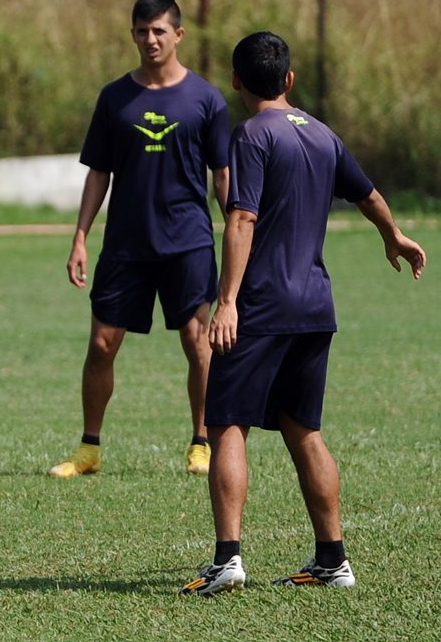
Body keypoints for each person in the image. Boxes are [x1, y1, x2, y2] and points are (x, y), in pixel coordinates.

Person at [179, 31, 425, 595]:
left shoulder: (251, 134)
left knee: (226, 423)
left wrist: (227, 301)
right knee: (304, 430)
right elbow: (367, 194)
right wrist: (393, 235)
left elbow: (242, 217)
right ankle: (333, 561)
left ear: (235, 81)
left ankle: (227, 560)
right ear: (289, 79)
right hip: (316, 305)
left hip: (263, 305)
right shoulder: (321, 133)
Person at [50, 0, 229, 478]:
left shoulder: (206, 99)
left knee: (197, 342)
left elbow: (222, 175)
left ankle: (201, 442)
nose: (150, 39)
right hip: (126, 244)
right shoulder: (114, 98)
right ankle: (89, 449)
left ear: (178, 34)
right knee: (101, 344)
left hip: (187, 242)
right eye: (141, 31)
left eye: (159, 31)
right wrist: (80, 236)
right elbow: (98, 172)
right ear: (132, 34)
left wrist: (238, 230)